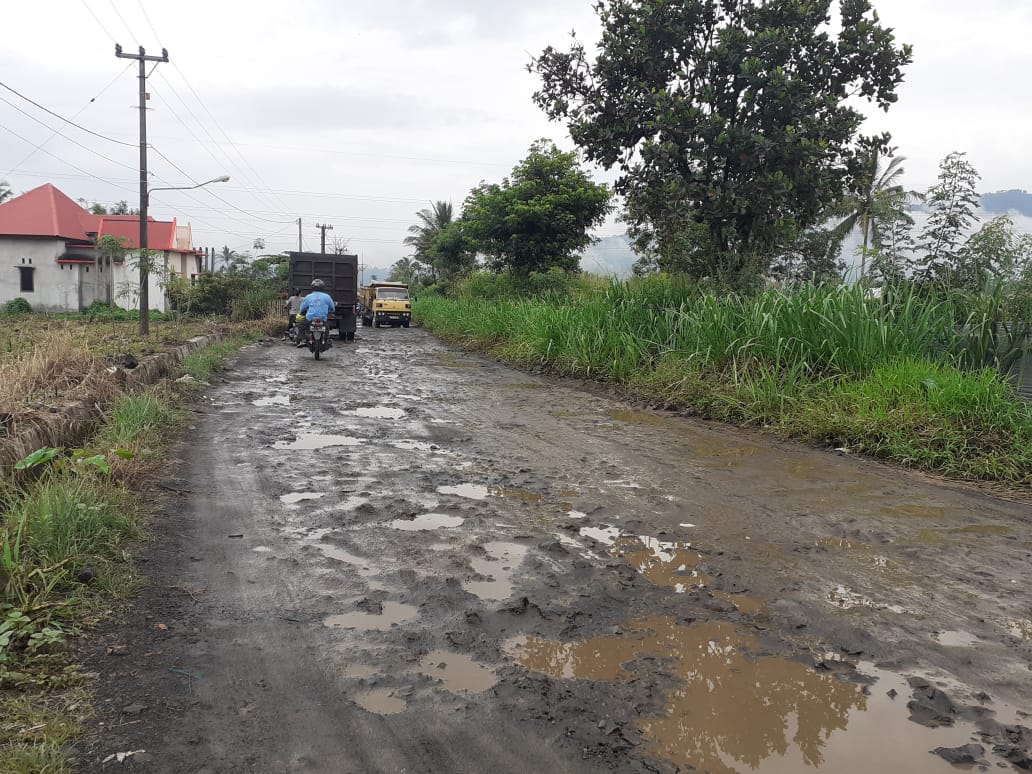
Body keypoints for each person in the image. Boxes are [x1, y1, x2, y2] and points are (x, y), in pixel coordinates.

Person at [296, 279, 336, 347]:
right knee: (326, 329)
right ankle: (326, 340)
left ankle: (302, 340)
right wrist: (331, 311)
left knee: (301, 326)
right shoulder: (327, 296)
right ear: (323, 287)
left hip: (310, 318)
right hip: (322, 318)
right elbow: (332, 308)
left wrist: (301, 312)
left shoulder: (308, 296)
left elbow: (302, 308)